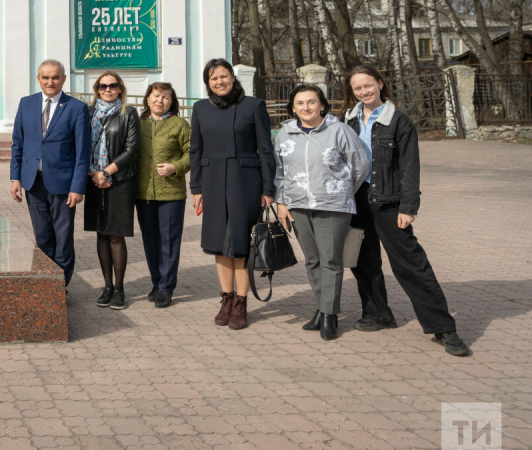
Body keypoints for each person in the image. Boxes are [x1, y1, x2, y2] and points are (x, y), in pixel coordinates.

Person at [343, 65, 472, 356]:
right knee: (363, 261)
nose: (364, 92)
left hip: (388, 203)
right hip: (355, 202)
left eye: (368, 85)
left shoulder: (398, 121)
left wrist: (408, 206)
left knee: (411, 264)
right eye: (357, 88)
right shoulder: (347, 120)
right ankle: (378, 313)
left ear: (379, 83)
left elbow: (409, 168)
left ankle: (443, 328)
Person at [272, 84, 370, 341]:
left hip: (333, 206)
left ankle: (330, 314)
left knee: (331, 260)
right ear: (293, 108)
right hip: (297, 206)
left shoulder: (339, 131)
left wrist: (341, 189)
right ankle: (320, 308)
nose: (306, 107)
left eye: (311, 102)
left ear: (322, 105)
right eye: (300, 103)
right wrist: (282, 202)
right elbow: (278, 171)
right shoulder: (285, 134)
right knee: (313, 260)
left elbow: (360, 164)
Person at [190, 58, 277, 330]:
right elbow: (196, 150)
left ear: (232, 77)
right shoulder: (200, 108)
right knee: (218, 242)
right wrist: (196, 188)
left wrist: (268, 188)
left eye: (223, 76)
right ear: (208, 83)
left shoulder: (253, 105)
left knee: (241, 242)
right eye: (213, 78)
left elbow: (265, 149)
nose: (219, 82)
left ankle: (241, 302)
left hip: (245, 182)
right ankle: (226, 299)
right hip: (213, 181)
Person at [10, 59, 91, 289]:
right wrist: (15, 178)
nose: (50, 82)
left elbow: (82, 152)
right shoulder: (26, 104)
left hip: (64, 185)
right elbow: (18, 143)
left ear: (64, 79)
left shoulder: (76, 108)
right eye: (45, 77)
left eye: (55, 77)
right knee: (43, 237)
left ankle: (60, 288)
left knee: (63, 239)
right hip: (33, 182)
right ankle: (47, 285)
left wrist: (78, 187)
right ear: (38, 79)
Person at [84, 70, 140, 310]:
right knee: (101, 234)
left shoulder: (129, 113)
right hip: (93, 179)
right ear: (97, 88)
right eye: (103, 86)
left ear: (120, 89)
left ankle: (119, 289)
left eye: (113, 86)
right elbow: (80, 144)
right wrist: (94, 174)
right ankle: (106, 286)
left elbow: (133, 149)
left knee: (116, 235)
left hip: (120, 181)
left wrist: (106, 172)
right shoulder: (87, 113)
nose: (108, 90)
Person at [134, 82, 191, 309]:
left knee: (169, 241)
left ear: (171, 102)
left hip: (171, 193)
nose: (160, 100)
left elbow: (192, 153)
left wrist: (175, 167)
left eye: (166, 97)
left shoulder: (179, 124)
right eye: (156, 95)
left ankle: (167, 287)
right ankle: (156, 282)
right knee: (150, 241)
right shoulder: (138, 124)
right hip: (144, 192)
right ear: (147, 98)